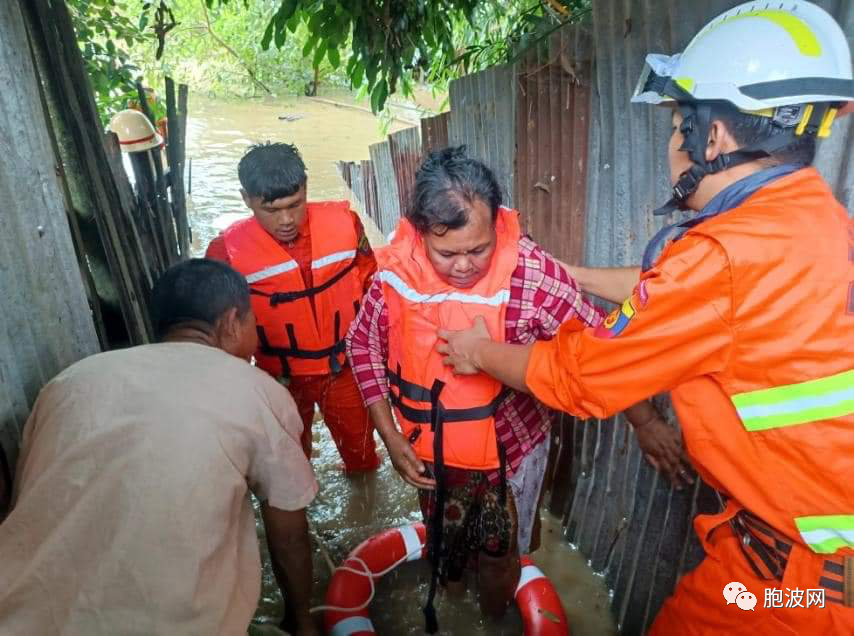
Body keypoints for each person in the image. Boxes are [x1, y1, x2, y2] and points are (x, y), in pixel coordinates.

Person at [438, 2, 854, 633]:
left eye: (676, 125)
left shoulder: (718, 261)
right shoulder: (811, 220)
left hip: (802, 588)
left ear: (710, 137)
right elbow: (699, 304)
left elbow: (580, 377)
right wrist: (569, 274)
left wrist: (476, 352)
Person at [346, 146, 677, 630]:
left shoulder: (533, 275)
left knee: (503, 556)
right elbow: (361, 348)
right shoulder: (396, 277)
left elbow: (598, 354)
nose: (463, 266)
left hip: (514, 452)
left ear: (496, 227)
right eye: (448, 253)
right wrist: (390, 437)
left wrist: (645, 421)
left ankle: (493, 620)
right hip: (429, 456)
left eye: (477, 250)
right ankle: (455, 604)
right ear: (421, 234)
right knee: (445, 547)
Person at [0, 259, 319, 635]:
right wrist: (302, 623)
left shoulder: (68, 383)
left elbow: (28, 498)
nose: (256, 336)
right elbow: (289, 536)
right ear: (232, 322)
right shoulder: (259, 391)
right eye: (253, 324)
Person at [206, 142, 380, 474]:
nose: (286, 219)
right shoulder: (224, 252)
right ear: (246, 200)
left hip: (343, 369)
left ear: (305, 189)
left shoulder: (347, 226)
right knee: (286, 468)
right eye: (271, 210)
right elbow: (218, 332)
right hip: (279, 379)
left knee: (363, 459)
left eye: (295, 205)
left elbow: (373, 288)